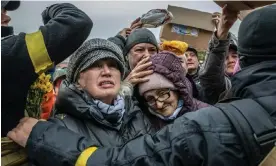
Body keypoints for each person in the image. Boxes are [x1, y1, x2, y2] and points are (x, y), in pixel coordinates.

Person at [7, 5, 276, 166]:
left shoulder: (144, 114)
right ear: (76, 78)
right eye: (94, 65)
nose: (106, 71)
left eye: (113, 66)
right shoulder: (58, 126)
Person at [1, 2, 93, 136]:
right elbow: (77, 22)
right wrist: (50, 11)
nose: (7, 18)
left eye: (5, 12)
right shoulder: (6, 53)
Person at [138, 51, 209, 129]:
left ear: (178, 90)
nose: (159, 105)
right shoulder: (145, 124)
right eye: (150, 99)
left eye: (162, 94)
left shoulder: (207, 114)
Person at [199, 4, 238, 104]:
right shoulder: (220, 85)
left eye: (234, 56)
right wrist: (222, 32)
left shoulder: (249, 80)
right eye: (225, 58)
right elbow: (211, 75)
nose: (231, 60)